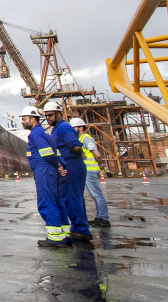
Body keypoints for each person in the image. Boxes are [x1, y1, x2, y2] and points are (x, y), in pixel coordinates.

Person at [22, 106, 70, 247]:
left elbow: (48, 154)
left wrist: (56, 167)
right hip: (50, 170)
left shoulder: (36, 134)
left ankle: (55, 238)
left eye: (24, 119)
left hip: (44, 171)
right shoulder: (47, 133)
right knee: (57, 201)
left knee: (47, 202)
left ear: (33, 119)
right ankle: (64, 234)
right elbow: (57, 154)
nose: (22, 122)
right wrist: (60, 167)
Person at [44, 100, 93, 242]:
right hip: (69, 165)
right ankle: (80, 227)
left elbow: (76, 147)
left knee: (71, 198)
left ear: (59, 114)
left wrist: (76, 155)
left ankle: (80, 230)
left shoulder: (64, 128)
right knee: (74, 198)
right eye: (46, 116)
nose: (48, 118)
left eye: (51, 115)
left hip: (71, 165)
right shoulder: (57, 128)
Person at [70, 117, 111, 228]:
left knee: (97, 195)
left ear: (81, 127)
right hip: (86, 171)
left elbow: (96, 154)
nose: (73, 130)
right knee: (94, 195)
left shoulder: (86, 139)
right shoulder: (80, 139)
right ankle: (99, 217)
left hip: (90, 171)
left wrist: (101, 164)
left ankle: (104, 219)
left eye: (74, 128)